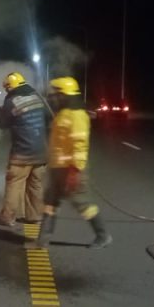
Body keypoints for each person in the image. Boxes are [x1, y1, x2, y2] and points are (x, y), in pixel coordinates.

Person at [29, 76, 112, 249]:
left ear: (64, 95)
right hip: (57, 168)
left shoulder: (77, 116)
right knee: (50, 203)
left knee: (82, 204)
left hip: (71, 169)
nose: (53, 98)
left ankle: (103, 235)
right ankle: (42, 240)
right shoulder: (63, 113)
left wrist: (75, 171)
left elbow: (80, 145)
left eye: (56, 95)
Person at [0, 71, 50, 226]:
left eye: (7, 89)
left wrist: (0, 113)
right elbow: (50, 119)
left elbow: (2, 124)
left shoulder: (11, 101)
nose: (6, 92)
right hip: (41, 152)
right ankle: (34, 216)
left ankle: (7, 217)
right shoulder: (38, 97)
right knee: (35, 185)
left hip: (22, 153)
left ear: (11, 87)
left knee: (15, 184)